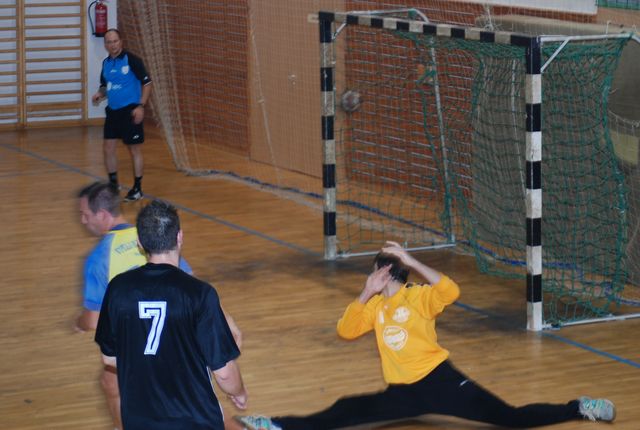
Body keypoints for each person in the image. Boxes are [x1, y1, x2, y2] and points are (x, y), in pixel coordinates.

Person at [236, 241, 616, 429]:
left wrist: (411, 260)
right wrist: (365, 292)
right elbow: (345, 330)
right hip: (403, 392)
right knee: (345, 409)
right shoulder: (375, 306)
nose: (373, 275)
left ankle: (580, 407)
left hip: (441, 382)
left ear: (388, 272)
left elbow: (451, 290)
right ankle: (275, 424)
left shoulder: (418, 297)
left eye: (375, 271)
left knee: (509, 419)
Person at [76, 182, 240, 429]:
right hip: (185, 379)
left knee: (111, 383)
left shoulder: (103, 263)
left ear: (140, 243)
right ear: (179, 237)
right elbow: (193, 288)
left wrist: (78, 323)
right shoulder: (166, 242)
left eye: (85, 214)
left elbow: (100, 335)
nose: (82, 220)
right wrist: (227, 321)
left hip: (144, 398)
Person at [91, 28, 152, 202]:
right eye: (109, 42)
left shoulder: (132, 60)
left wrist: (140, 106)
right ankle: (113, 185)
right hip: (113, 112)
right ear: (105, 45)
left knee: (134, 149)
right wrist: (100, 94)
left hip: (130, 111)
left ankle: (137, 189)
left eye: (115, 41)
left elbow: (147, 84)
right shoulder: (106, 63)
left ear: (121, 42)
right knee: (108, 148)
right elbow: (105, 85)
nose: (112, 45)